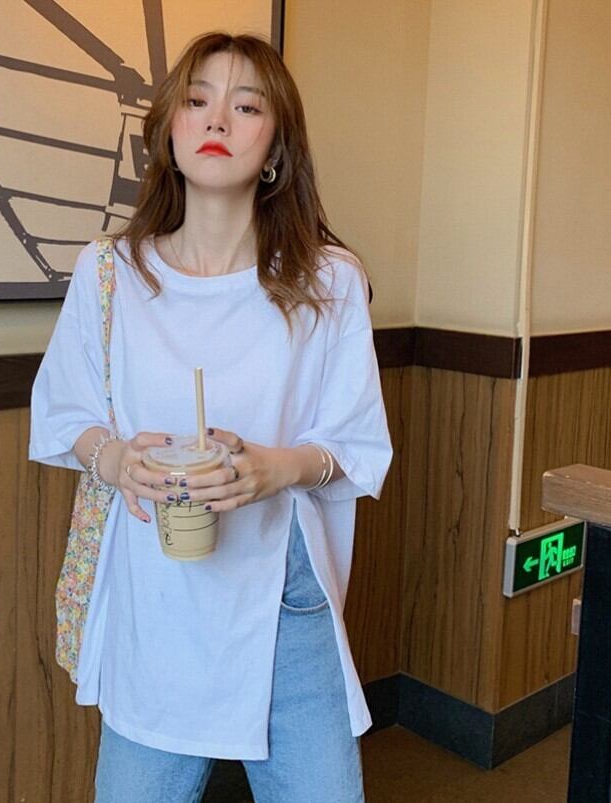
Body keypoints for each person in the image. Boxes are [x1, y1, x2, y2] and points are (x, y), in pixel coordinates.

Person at [29, 30, 392, 803]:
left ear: (276, 149)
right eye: (196, 101)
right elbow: (65, 412)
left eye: (246, 106)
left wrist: (275, 468)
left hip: (283, 601)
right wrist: (114, 458)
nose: (217, 120)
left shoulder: (329, 280)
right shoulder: (108, 272)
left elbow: (354, 443)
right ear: (169, 130)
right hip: (153, 600)